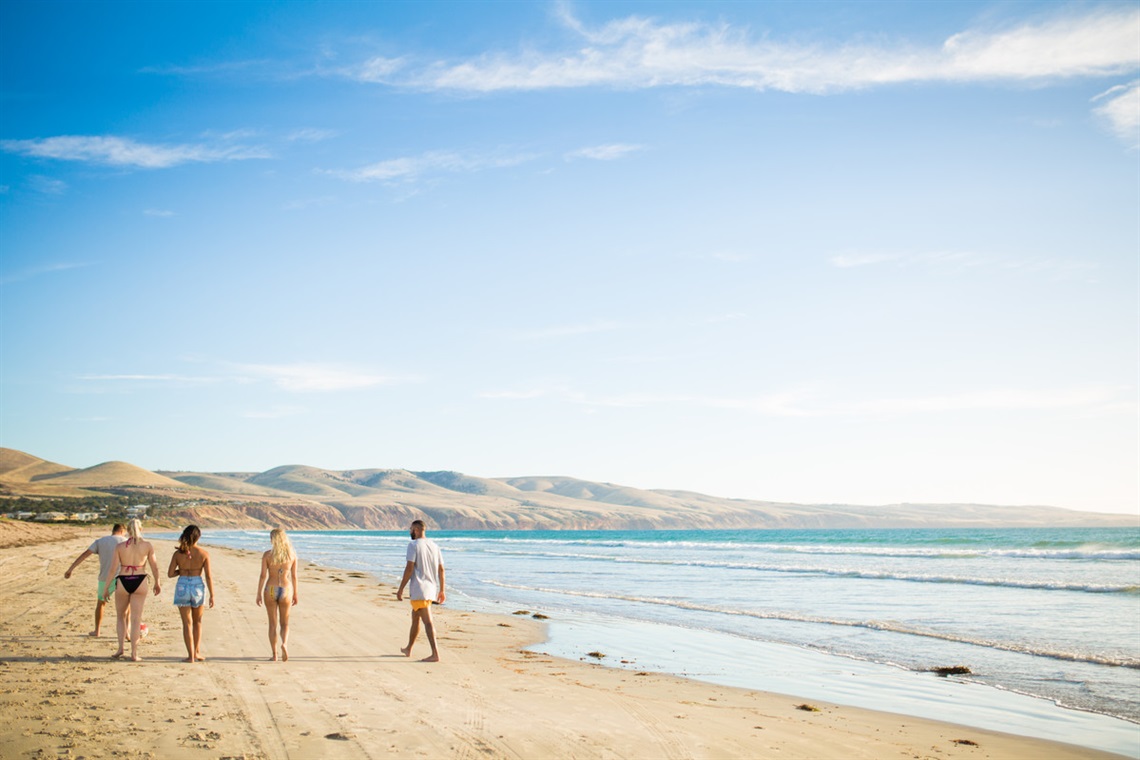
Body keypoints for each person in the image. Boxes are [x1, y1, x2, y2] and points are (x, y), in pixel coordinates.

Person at [103, 519, 160, 661]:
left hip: (123, 580)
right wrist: (157, 582)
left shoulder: (120, 546)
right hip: (140, 581)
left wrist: (106, 588)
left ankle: (120, 649)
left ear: (127, 530)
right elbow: (154, 566)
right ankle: (134, 653)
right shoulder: (147, 546)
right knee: (136, 619)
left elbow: (112, 570)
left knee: (120, 616)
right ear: (141, 529)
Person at [63, 523, 126, 637]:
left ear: (113, 530)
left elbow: (85, 555)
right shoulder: (126, 541)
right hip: (122, 577)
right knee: (126, 606)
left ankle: (97, 630)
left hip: (105, 577)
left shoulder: (101, 541)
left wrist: (70, 569)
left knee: (101, 604)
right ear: (122, 531)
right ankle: (126, 633)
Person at [396, 519, 445, 662]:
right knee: (415, 617)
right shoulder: (435, 546)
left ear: (416, 530)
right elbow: (441, 569)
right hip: (430, 588)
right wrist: (442, 590)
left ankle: (435, 654)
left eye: (411, 529)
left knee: (427, 621)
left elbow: (409, 568)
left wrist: (400, 589)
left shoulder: (413, 545)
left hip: (419, 589)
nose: (410, 532)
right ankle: (408, 648)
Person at [168, 525, 214, 663]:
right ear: (198, 537)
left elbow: (170, 574)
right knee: (197, 622)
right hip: (197, 585)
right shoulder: (204, 553)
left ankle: (190, 656)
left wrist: (181, 571)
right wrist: (212, 595)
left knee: (186, 623)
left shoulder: (178, 554)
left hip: (182, 585)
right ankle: (197, 652)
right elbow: (208, 576)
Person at [255, 527, 298, 662]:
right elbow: (294, 576)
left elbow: (263, 576)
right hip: (286, 589)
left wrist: (258, 593)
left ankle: (274, 655)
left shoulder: (267, 555)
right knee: (285, 623)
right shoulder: (291, 555)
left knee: (272, 624)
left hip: (271, 589)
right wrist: (296, 593)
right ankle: (284, 643)